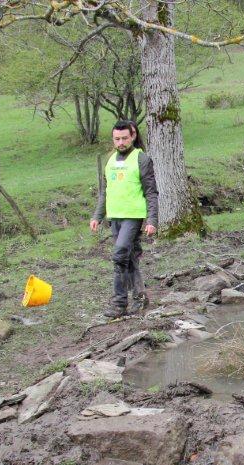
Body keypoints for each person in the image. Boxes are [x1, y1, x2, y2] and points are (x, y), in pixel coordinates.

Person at [90, 120, 159, 318]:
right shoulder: (110, 160)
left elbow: (151, 192)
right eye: (117, 139)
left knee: (119, 255)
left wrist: (152, 220)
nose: (120, 142)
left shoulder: (141, 159)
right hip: (115, 218)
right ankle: (140, 297)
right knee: (128, 259)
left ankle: (119, 303)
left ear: (133, 137)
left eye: (124, 138)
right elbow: (105, 191)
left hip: (133, 217)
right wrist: (97, 216)